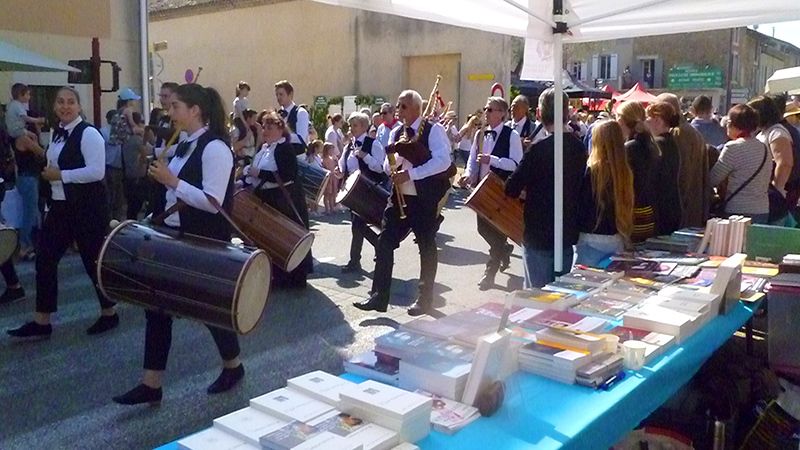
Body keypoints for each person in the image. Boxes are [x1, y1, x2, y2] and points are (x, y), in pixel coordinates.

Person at [113, 83, 244, 406]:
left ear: (195, 111)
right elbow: (173, 190)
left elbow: (214, 202)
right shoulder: (185, 142)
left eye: (176, 108)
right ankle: (151, 383)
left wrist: (173, 181)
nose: (170, 113)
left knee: (208, 306)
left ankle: (234, 366)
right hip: (174, 234)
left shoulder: (215, 148)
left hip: (203, 237)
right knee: (157, 306)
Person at [7, 87, 118, 339]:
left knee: (93, 263)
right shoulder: (57, 133)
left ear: (79, 107)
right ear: (54, 106)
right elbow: (53, 163)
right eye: (60, 102)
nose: (65, 106)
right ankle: (42, 321)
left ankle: (110, 312)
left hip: (87, 209)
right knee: (45, 259)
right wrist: (37, 151)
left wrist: (61, 176)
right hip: (60, 206)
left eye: (70, 102)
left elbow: (96, 172)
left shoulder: (89, 133)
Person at [352, 90, 452, 316]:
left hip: (424, 197)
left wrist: (411, 173)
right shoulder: (396, 132)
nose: (399, 111)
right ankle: (379, 296)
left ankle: (425, 299)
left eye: (403, 106)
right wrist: (394, 165)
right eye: (398, 106)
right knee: (385, 241)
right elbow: (388, 166)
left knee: (426, 245)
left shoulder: (433, 130)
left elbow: (443, 161)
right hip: (398, 196)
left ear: (416, 108)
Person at [505, 88, 587, 288]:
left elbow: (511, 188)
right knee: (561, 297)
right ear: (566, 114)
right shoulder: (579, 148)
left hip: (539, 234)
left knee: (537, 300)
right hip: (566, 232)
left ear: (540, 114)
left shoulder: (538, 150)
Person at [460, 96, 522, 289]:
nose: (486, 112)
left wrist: (492, 159)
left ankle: (490, 272)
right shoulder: (480, 134)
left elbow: (516, 164)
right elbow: (472, 160)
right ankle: (503, 249)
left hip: (500, 189)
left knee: (496, 229)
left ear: (502, 113)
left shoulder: (511, 136)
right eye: (486, 109)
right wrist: (469, 175)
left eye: (490, 109)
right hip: (482, 189)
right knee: (483, 228)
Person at [245, 112, 311, 288]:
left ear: (281, 129)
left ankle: (290, 278)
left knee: (284, 238)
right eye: (264, 127)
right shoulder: (265, 148)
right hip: (267, 198)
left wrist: (259, 173)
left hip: (283, 201)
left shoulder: (284, 148)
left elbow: (288, 175)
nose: (265, 130)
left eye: (270, 127)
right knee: (269, 239)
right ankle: (274, 276)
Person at [576, 121, 634, 267]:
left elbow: (582, 207)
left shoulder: (593, 172)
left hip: (590, 240)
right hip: (617, 238)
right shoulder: (624, 172)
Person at [339, 112, 387, 273]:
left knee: (358, 224)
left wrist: (365, 156)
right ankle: (359, 258)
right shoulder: (349, 145)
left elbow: (381, 168)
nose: (352, 128)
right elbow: (344, 165)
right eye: (351, 125)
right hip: (352, 192)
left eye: (355, 125)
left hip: (368, 191)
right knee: (356, 225)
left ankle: (376, 248)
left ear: (365, 127)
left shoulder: (373, 144)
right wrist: (339, 172)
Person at [709, 104, 771, 224]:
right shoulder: (764, 147)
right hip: (762, 209)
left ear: (732, 124)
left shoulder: (733, 147)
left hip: (737, 210)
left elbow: (713, 179)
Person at [655, 93, 708, 228]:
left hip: (684, 209)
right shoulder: (690, 131)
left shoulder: (679, 133)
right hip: (692, 206)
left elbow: (681, 173)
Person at [5, 83, 46, 260]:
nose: (29, 98)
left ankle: (30, 243)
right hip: (28, 178)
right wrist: (37, 124)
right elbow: (41, 152)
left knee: (32, 211)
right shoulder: (22, 138)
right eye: (27, 94)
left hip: (25, 178)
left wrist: (35, 133)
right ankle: (25, 245)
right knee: (30, 213)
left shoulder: (20, 136)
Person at [616, 101, 660, 243]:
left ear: (622, 121)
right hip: (650, 210)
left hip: (632, 213)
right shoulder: (652, 145)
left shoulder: (629, 148)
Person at [748, 96, 795, 226]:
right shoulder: (765, 132)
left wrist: (777, 187)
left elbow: (785, 163)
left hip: (774, 195)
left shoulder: (776, 132)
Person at [645, 102, 682, 235]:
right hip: (672, 205)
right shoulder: (671, 142)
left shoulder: (658, 144)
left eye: (648, 117)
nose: (646, 121)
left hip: (660, 209)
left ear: (657, 119)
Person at [275, 80, 309, 155]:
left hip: (296, 156)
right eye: (277, 95)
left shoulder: (300, 112)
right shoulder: (277, 114)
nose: (278, 97)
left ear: (290, 94)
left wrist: (280, 137)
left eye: (281, 94)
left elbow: (301, 138)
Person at [321, 141, 340, 215]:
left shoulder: (333, 158)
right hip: (328, 178)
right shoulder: (324, 159)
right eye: (330, 149)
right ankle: (327, 209)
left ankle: (332, 208)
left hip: (333, 177)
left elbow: (336, 166)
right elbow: (324, 168)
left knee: (332, 193)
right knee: (327, 194)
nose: (332, 151)